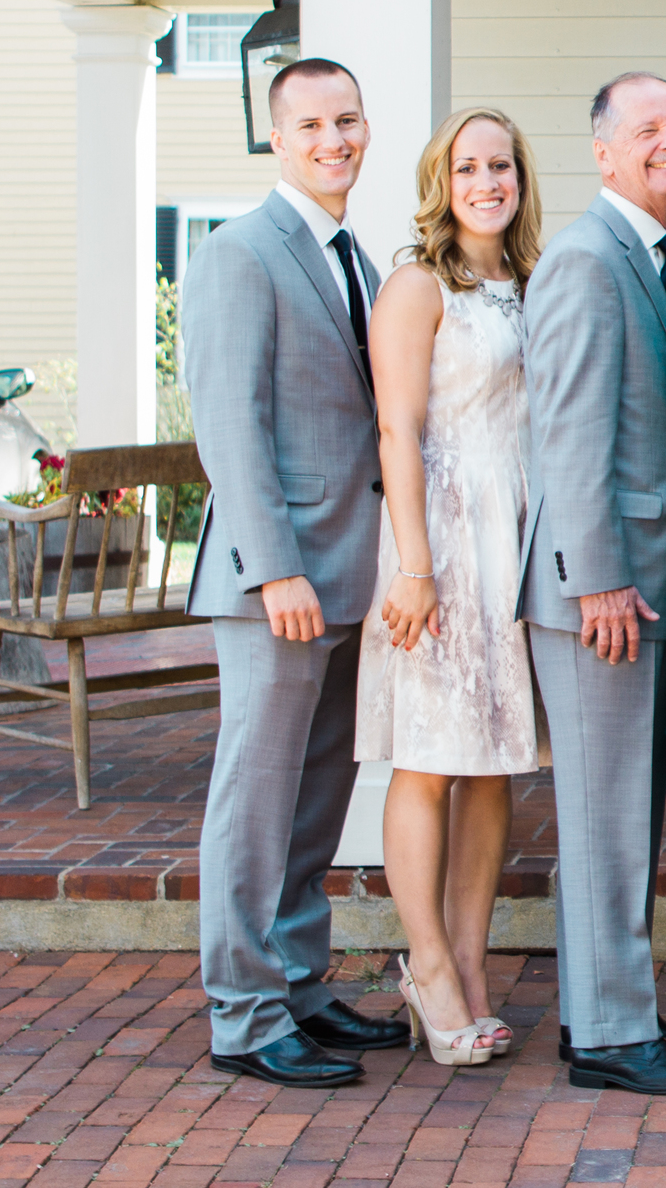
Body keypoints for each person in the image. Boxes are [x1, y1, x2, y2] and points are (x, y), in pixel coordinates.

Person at [185, 56, 410, 1088]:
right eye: (313, 123)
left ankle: (300, 983)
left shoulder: (351, 253)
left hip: (346, 574)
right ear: (276, 136)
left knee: (318, 793)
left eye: (349, 120)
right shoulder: (242, 251)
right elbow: (229, 424)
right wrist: (273, 567)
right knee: (257, 794)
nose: (335, 139)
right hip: (278, 575)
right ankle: (243, 1012)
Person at [516, 72, 666, 1097]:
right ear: (601, 153)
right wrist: (596, 578)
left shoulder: (647, 253)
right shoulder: (582, 259)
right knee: (604, 814)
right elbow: (566, 434)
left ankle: (611, 1012)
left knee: (625, 810)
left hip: (643, 588)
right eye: (647, 128)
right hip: (601, 593)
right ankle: (607, 1035)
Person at [360, 107, 545, 1068]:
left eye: (501, 165)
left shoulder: (530, 281)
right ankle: (425, 964)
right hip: (439, 541)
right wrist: (416, 566)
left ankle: (471, 966)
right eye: (468, 167)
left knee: (491, 765)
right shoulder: (415, 285)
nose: (487, 181)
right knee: (428, 761)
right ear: (443, 181)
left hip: (516, 538)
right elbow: (398, 431)